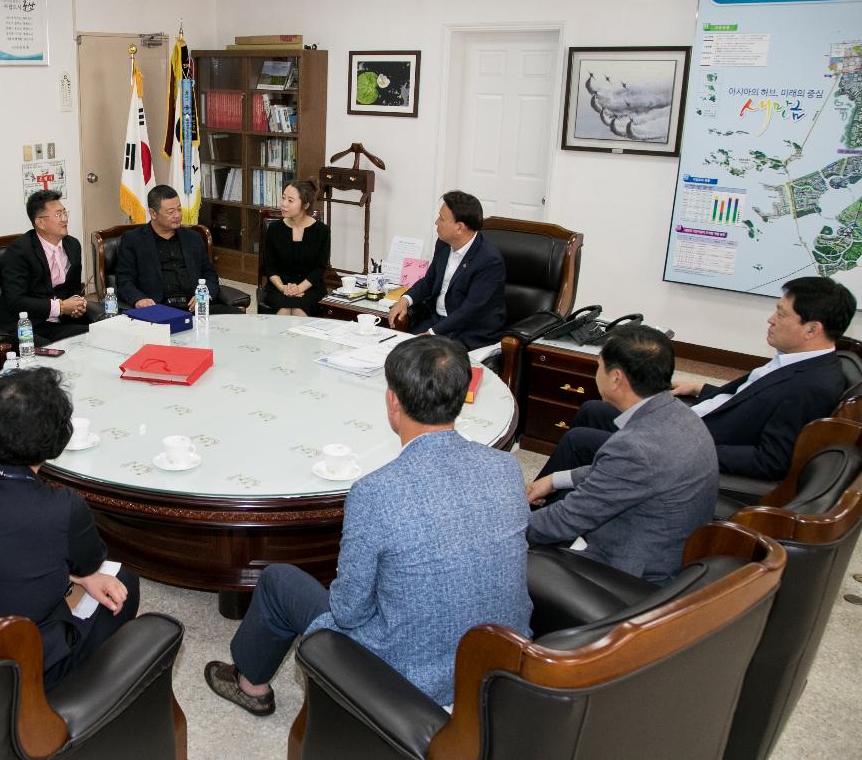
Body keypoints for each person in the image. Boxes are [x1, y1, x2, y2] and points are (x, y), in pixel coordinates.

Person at [204, 336, 531, 715]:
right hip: (499, 663)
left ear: (393, 402)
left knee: (279, 581)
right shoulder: (506, 468)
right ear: (460, 399)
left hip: (411, 677)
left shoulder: (376, 492)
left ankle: (251, 686)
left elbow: (348, 611)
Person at [0, 367, 138, 687]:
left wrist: (77, 575)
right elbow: (90, 562)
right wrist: (84, 575)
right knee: (124, 583)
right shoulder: (64, 507)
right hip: (19, 660)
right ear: (57, 437)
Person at [540, 277, 856, 483]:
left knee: (579, 439)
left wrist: (692, 445)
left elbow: (771, 460)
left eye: (782, 313)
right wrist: (703, 388)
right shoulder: (796, 362)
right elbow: (749, 404)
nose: (771, 319)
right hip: (689, 424)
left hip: (691, 447)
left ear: (812, 329)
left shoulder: (810, 385)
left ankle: (533, 508)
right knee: (593, 410)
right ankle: (576, 496)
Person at [526, 326, 718, 584]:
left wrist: (502, 523)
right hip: (666, 547)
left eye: (598, 366)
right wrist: (553, 479)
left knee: (515, 556)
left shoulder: (634, 449)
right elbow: (619, 474)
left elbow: (566, 520)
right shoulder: (679, 414)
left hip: (630, 573)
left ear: (616, 379)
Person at [386, 190, 506, 349]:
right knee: (393, 347)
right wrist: (404, 299)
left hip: (469, 332)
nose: (436, 222)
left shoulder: (489, 260)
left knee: (418, 356)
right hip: (437, 321)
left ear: (459, 228)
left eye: (441, 218)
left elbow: (470, 311)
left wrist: (431, 334)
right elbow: (429, 281)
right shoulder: (443, 244)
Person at [115, 185, 244, 315]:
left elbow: (209, 273)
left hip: (195, 306)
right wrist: (139, 299)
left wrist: (206, 294)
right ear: (153, 213)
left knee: (237, 318)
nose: (177, 215)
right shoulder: (133, 240)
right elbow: (124, 279)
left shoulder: (193, 238)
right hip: (159, 308)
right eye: (170, 212)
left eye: (179, 209)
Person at [0, 190, 95, 343]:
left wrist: (76, 304)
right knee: (51, 352)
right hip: (25, 325)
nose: (65, 219)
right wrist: (60, 307)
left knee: (94, 336)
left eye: (64, 213)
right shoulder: (19, 251)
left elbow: (73, 288)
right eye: (58, 215)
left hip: (58, 322)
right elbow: (16, 300)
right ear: (40, 222)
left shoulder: (72, 245)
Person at [262, 180, 330, 316]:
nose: (283, 204)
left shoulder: (322, 231)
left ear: (305, 205)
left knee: (299, 310)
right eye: (283, 198)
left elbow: (320, 268)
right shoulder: (274, 230)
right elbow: (269, 266)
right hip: (279, 286)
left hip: (310, 286)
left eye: (290, 200)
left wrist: (299, 288)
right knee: (283, 310)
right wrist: (282, 287)